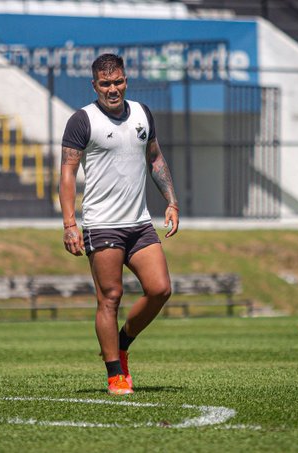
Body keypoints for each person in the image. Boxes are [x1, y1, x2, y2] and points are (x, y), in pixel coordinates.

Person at [59, 54, 179, 395]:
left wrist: (171, 201)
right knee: (110, 297)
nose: (113, 89)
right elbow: (67, 173)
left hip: (139, 223)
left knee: (160, 289)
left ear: (126, 80)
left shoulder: (142, 113)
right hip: (102, 225)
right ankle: (115, 373)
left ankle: (122, 342)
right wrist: (70, 224)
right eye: (105, 84)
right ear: (94, 85)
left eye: (118, 82)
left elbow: (155, 157)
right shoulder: (82, 120)